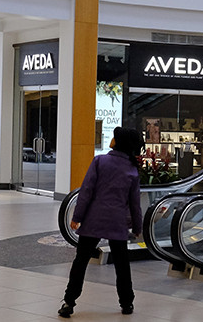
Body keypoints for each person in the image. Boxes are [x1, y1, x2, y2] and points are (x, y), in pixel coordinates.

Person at [58, 127, 144, 318]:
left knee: (80, 262)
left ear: (118, 142)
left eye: (114, 137)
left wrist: (77, 217)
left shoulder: (100, 161)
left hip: (93, 220)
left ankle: (68, 302)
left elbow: (86, 191)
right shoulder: (132, 170)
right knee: (122, 264)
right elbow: (135, 204)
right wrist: (137, 227)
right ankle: (127, 303)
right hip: (117, 223)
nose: (111, 139)